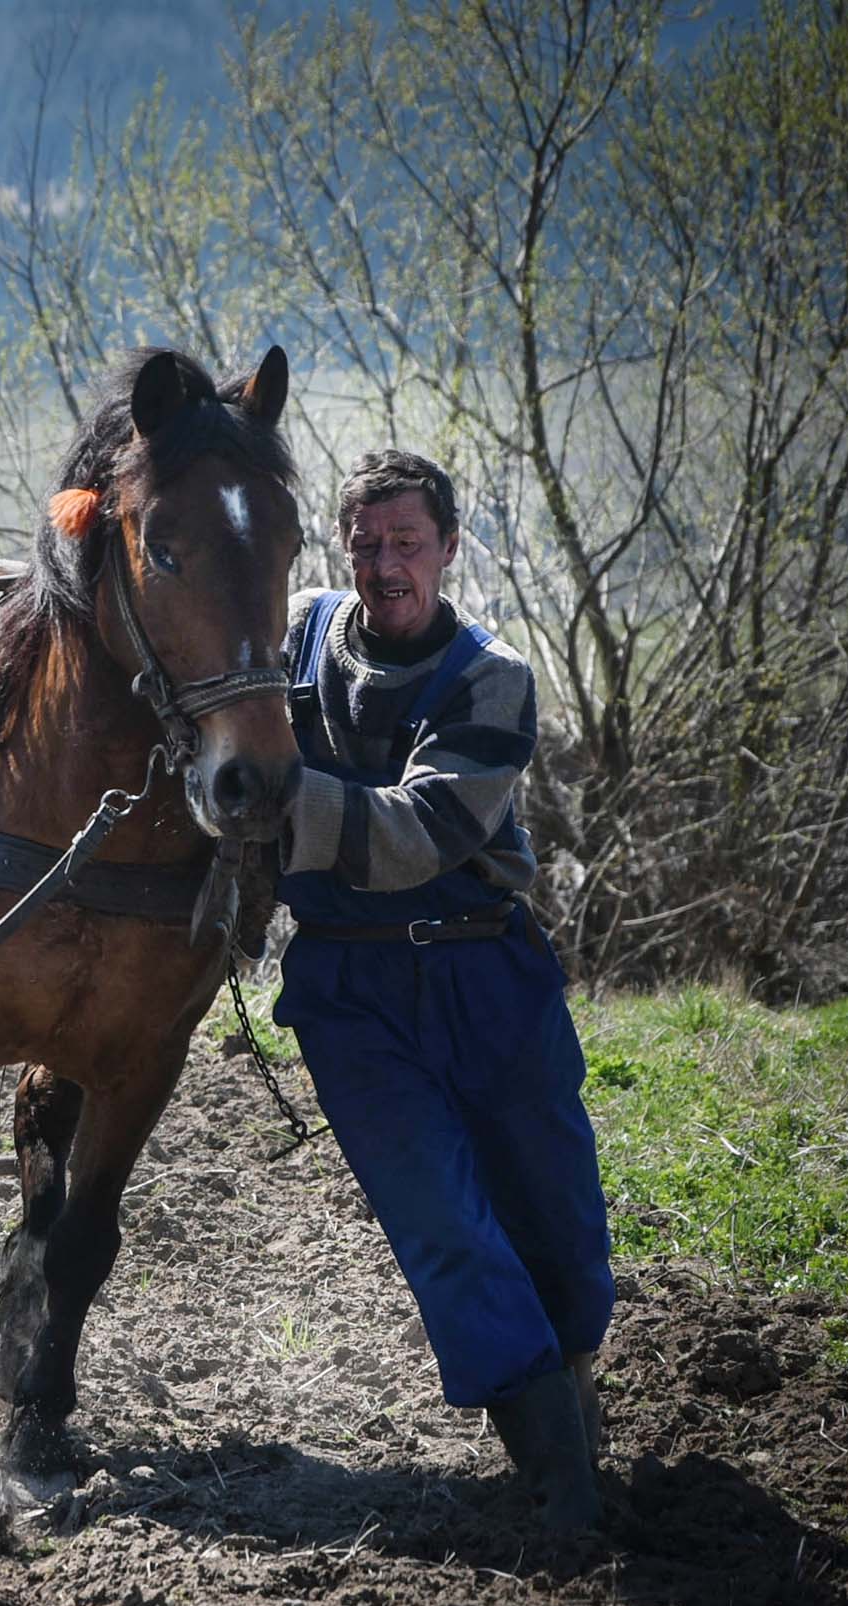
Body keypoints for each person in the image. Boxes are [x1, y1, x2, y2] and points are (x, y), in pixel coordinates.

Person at [271, 449, 614, 1533]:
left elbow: (417, 834)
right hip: (346, 983)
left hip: (484, 970)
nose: (383, 567)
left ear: (449, 547)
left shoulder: (488, 677)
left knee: (554, 1223)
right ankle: (555, 1477)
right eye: (364, 545)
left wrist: (267, 795)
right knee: (441, 1221)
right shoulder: (292, 636)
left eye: (405, 543)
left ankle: (564, 1387)